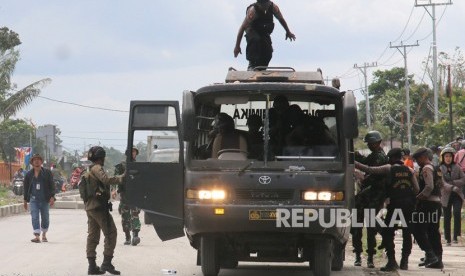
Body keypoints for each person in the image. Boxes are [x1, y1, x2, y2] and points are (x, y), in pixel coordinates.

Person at [355, 148, 419, 271]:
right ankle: (404, 261)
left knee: (388, 233)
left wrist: (355, 163)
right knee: (407, 233)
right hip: (408, 206)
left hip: (395, 205)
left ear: (392, 158)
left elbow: (369, 170)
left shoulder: (388, 168)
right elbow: (416, 190)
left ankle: (391, 261)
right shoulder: (410, 170)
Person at [352, 130, 388, 268]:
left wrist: (363, 179)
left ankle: (370, 257)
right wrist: (355, 155)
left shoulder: (380, 157)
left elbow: (370, 172)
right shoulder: (374, 155)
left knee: (370, 226)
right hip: (368, 195)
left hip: (375, 195)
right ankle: (358, 255)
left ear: (378, 143)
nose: (370, 146)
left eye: (372, 143)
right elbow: (365, 161)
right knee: (357, 225)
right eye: (369, 144)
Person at [85, 146, 124, 275]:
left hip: (91, 207)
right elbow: (106, 180)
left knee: (93, 236)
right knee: (111, 233)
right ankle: (106, 263)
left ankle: (92, 266)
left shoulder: (90, 169)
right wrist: (122, 178)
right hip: (99, 207)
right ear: (101, 157)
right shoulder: (97, 168)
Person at [234, 0, 296, 71]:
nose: (265, 7)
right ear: (259, 4)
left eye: (266, 4)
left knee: (268, 50)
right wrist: (237, 46)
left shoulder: (273, 7)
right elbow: (242, 28)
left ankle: (262, 67)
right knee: (256, 40)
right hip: (251, 30)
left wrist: (288, 32)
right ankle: (252, 64)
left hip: (263, 31)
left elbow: (281, 19)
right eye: (263, 5)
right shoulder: (253, 11)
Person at [412, 147, 443, 269]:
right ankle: (437, 259)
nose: (417, 161)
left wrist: (418, 198)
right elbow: (440, 185)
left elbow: (429, 187)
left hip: (428, 204)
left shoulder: (426, 168)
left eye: (418, 158)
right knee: (433, 232)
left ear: (424, 157)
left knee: (418, 229)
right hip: (436, 203)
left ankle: (431, 255)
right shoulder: (436, 168)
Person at [23, 153, 55, 243]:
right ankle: (37, 236)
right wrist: (25, 200)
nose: (37, 161)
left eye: (38, 159)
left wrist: (52, 197)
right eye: (34, 160)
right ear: (32, 162)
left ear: (41, 161)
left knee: (45, 217)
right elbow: (25, 188)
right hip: (34, 199)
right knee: (34, 217)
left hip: (45, 199)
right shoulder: (29, 174)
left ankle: (44, 234)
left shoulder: (47, 173)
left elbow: (52, 185)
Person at [115, 147, 142, 246]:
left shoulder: (138, 166)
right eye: (132, 151)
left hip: (135, 196)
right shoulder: (121, 166)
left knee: (135, 215)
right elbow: (116, 178)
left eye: (135, 152)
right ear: (127, 153)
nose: (133, 153)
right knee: (125, 217)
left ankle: (135, 236)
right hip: (124, 195)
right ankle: (127, 237)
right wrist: (115, 190)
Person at [439, 147, 465, 245]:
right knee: (447, 216)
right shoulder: (440, 168)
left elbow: (463, 179)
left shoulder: (457, 167)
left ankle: (456, 236)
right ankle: (447, 238)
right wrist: (451, 187)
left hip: (457, 194)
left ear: (453, 157)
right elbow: (441, 182)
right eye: (446, 156)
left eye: (450, 156)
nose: (448, 158)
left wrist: (454, 183)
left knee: (457, 213)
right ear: (443, 157)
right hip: (446, 195)